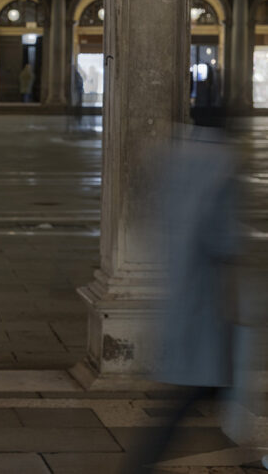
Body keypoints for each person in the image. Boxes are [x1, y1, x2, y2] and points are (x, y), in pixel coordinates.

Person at [123, 105, 241, 473]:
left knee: (206, 382)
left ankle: (242, 446)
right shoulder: (221, 163)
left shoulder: (173, 155)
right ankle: (140, 464)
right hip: (206, 294)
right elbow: (222, 238)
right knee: (191, 390)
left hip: (177, 287)